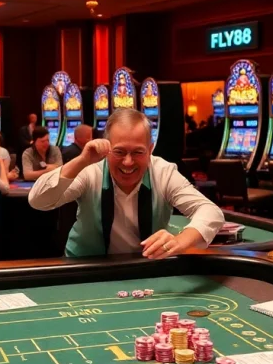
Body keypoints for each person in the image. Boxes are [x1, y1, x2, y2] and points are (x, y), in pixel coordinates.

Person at [29, 108, 225, 258]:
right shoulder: (90, 169)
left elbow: (211, 212)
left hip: (144, 268)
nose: (128, 162)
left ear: (150, 149)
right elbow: (38, 200)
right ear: (107, 148)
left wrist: (180, 240)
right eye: (120, 152)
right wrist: (81, 160)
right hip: (85, 268)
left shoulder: (163, 172)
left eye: (138, 152)